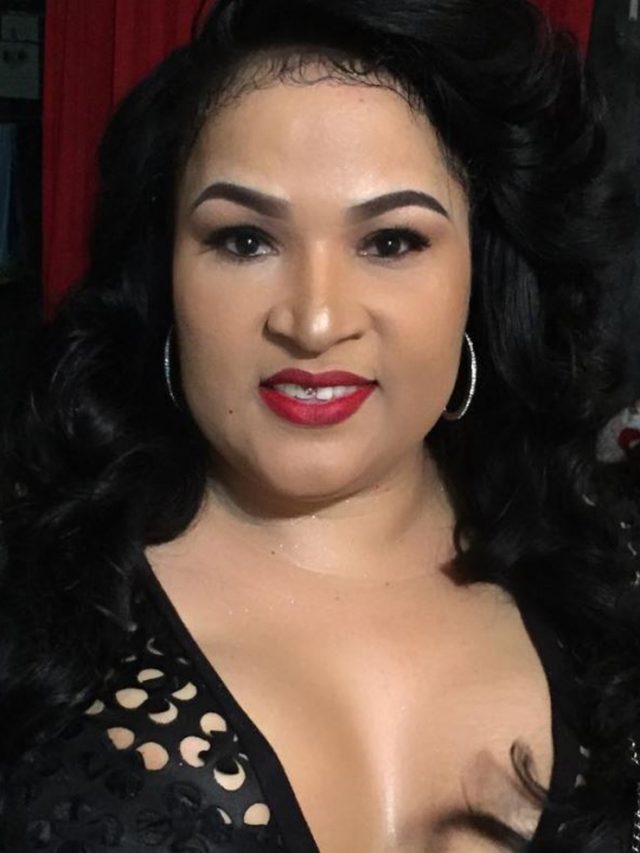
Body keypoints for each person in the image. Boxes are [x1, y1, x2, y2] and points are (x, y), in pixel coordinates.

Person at [0, 0, 638, 850]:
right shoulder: (34, 605)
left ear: (479, 274)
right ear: (166, 275)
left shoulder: (604, 586)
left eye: (391, 242)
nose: (314, 321)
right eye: (244, 241)